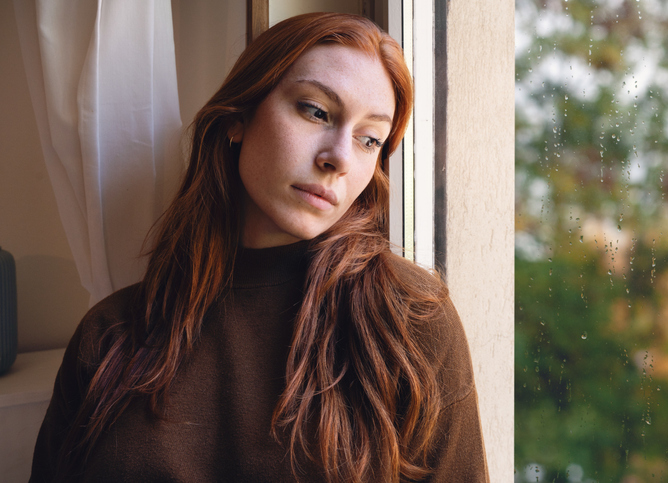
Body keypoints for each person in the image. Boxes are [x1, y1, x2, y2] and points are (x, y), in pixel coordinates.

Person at [30, 12, 489, 483]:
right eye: (316, 111)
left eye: (370, 138)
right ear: (238, 119)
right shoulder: (110, 335)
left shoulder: (408, 317)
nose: (340, 158)